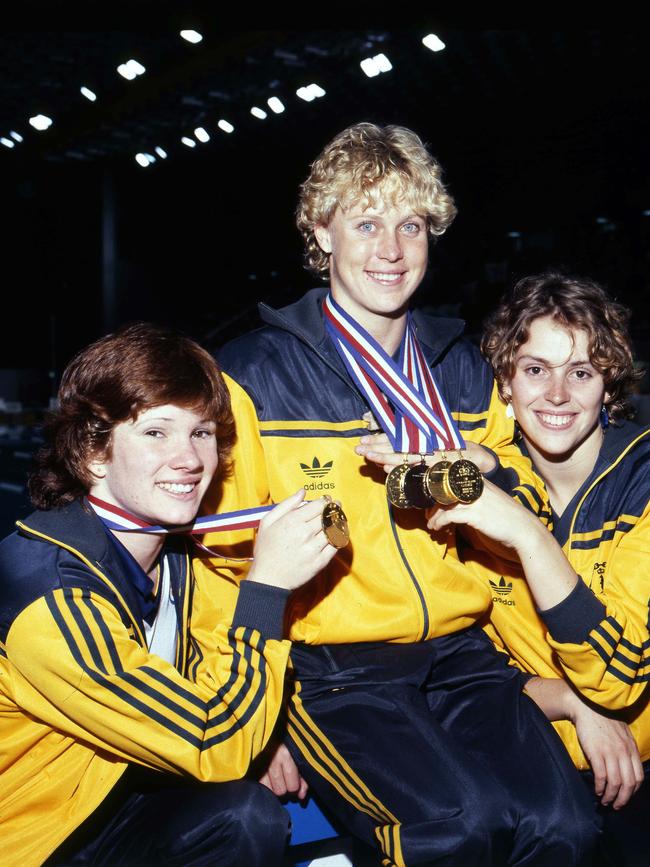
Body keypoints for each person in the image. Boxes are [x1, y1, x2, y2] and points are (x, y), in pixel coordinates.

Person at [207, 124, 599, 865]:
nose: (391, 248)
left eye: (410, 224)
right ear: (321, 232)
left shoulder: (460, 366)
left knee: (564, 827)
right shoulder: (251, 375)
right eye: (366, 222)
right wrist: (255, 721)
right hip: (333, 670)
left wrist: (482, 464)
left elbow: (530, 506)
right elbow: (211, 561)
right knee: (452, 831)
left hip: (463, 652)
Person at [0, 322, 338, 866]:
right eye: (156, 433)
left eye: (201, 432)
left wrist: (270, 735)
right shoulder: (47, 593)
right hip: (34, 845)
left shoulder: (178, 556)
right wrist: (267, 587)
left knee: (245, 815)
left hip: (109, 808)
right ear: (94, 453)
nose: (189, 459)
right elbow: (214, 741)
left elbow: (221, 671)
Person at [463, 271, 648, 867]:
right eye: (535, 369)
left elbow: (622, 673)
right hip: (529, 761)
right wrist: (572, 701)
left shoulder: (642, 486)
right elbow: (464, 672)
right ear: (505, 384)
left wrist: (528, 536)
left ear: (609, 385)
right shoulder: (475, 488)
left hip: (640, 768)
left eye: (582, 372)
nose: (558, 395)